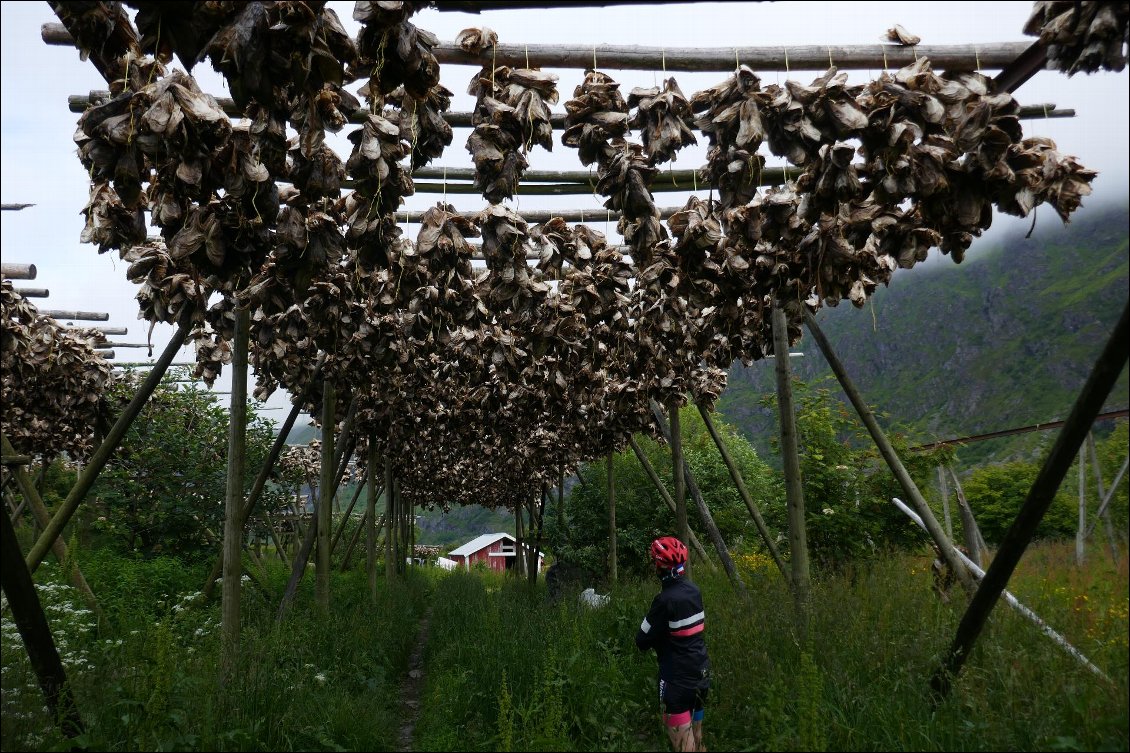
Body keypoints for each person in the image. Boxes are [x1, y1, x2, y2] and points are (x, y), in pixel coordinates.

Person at [635, 536, 710, 752]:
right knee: (698, 737)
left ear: (659, 566)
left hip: (676, 680)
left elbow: (641, 639)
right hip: (702, 672)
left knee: (683, 745)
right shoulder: (694, 591)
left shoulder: (664, 600)